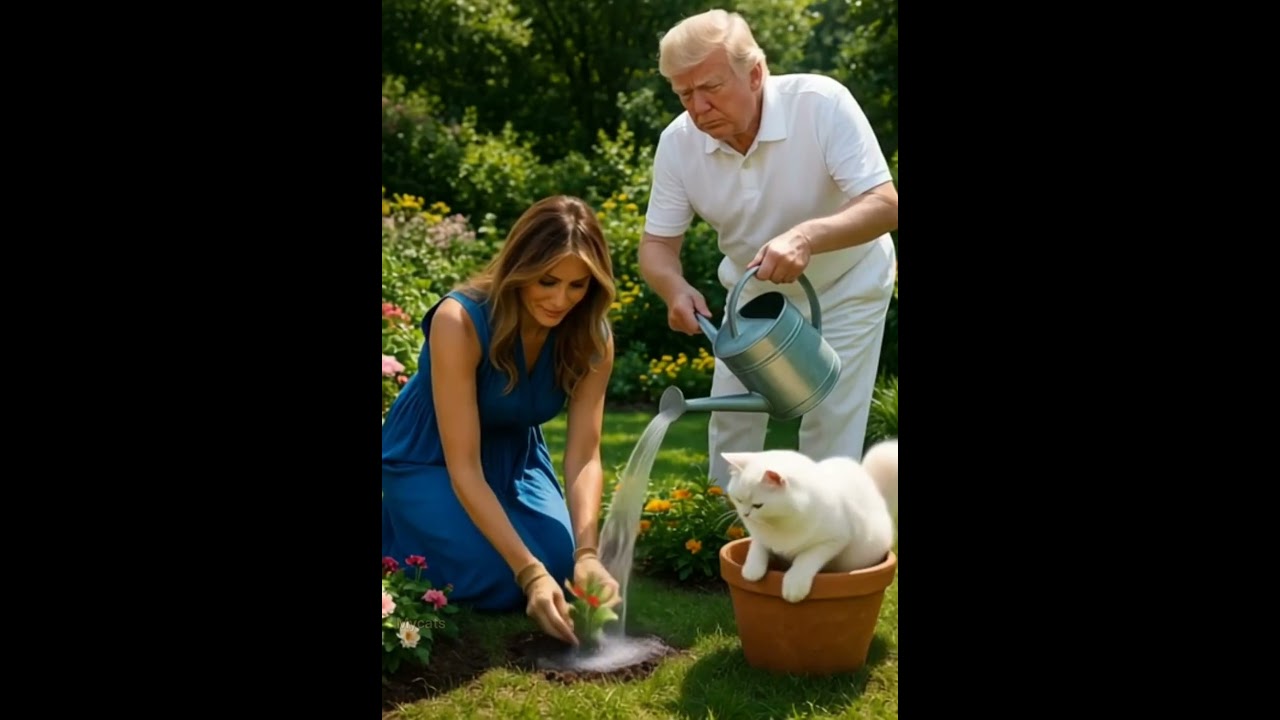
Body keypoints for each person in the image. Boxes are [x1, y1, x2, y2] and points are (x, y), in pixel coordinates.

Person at [639, 9, 898, 488]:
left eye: (710, 87)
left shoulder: (821, 103)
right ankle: (721, 539)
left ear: (755, 73)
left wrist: (806, 237)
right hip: (753, 299)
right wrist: (672, 286)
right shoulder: (678, 144)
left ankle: (826, 553)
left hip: (848, 282)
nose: (697, 108)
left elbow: (885, 204)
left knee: (830, 419)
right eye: (684, 94)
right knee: (732, 422)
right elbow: (657, 244)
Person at [382, 195, 622, 646]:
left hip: (517, 459)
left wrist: (588, 554)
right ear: (520, 268)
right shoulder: (460, 321)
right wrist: (529, 575)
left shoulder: (591, 336)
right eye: (547, 281)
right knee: (499, 578)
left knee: (563, 567)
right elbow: (464, 467)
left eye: (578, 285)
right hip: (432, 457)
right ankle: (394, 531)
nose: (560, 300)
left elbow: (585, 456)